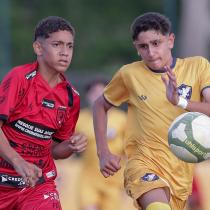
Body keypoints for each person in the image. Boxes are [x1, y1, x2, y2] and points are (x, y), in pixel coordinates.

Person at [92, 12, 210, 210]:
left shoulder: (197, 66)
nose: (151, 52)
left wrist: (180, 101)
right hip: (142, 163)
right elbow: (99, 105)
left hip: (180, 173)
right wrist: (103, 152)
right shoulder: (129, 74)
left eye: (156, 43)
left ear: (170, 40)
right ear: (136, 48)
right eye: (143, 46)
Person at [0, 16, 87, 210]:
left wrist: (71, 146)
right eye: (57, 44)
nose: (65, 53)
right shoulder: (19, 78)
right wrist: (17, 160)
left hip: (37, 186)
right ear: (38, 48)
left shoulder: (71, 98)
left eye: (70, 46)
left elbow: (55, 151)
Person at [75, 77, 127, 210]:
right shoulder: (80, 118)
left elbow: (130, 148)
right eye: (94, 93)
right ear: (87, 96)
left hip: (114, 181)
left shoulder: (121, 119)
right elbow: (68, 144)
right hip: (89, 178)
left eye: (102, 92)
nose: (97, 96)